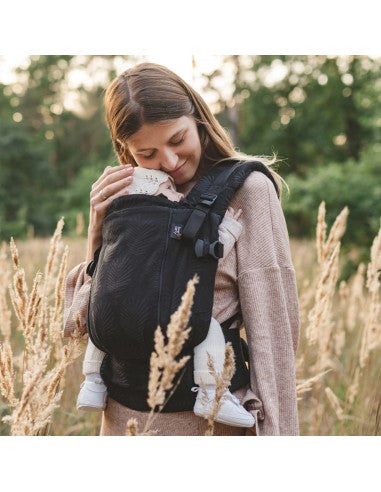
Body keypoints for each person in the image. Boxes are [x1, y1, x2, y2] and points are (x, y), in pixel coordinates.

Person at [64, 62, 300, 436]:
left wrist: (279, 439)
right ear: (124, 149)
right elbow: (75, 325)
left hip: (207, 428)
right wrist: (98, 236)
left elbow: (274, 335)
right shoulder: (129, 199)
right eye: (147, 153)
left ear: (199, 118)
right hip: (123, 424)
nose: (169, 163)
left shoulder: (248, 191)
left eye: (177, 140)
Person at [76, 166, 255, 428]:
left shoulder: (121, 228)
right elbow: (205, 258)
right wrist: (227, 230)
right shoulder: (169, 224)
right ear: (150, 196)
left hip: (113, 313)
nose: (180, 195)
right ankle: (210, 392)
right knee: (209, 329)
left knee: (104, 327)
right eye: (169, 190)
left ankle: (92, 382)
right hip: (161, 315)